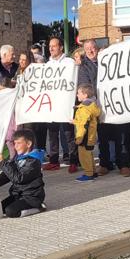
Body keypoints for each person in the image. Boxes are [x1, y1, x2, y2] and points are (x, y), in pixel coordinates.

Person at [42, 36, 79, 173]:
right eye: (49, 46)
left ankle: (74, 161)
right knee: (52, 134)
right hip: (52, 105)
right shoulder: (47, 65)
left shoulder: (69, 62)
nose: (51, 48)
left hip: (65, 104)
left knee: (69, 134)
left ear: (61, 47)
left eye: (54, 46)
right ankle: (53, 161)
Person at [0, 129, 46, 218]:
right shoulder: (19, 158)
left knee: (10, 212)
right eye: (14, 143)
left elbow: (18, 178)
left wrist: (3, 163)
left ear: (28, 144)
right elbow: (8, 174)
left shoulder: (34, 161)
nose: (15, 146)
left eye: (19, 143)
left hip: (32, 197)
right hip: (18, 195)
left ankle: (39, 207)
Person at [73, 84, 101, 182]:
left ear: (85, 95)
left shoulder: (84, 108)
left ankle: (89, 174)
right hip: (90, 136)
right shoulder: (91, 106)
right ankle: (93, 172)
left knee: (84, 156)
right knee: (89, 154)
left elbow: (83, 125)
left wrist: (79, 138)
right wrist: (74, 121)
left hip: (85, 136)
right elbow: (84, 122)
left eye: (78, 93)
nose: (77, 95)